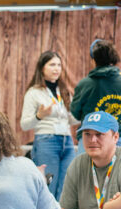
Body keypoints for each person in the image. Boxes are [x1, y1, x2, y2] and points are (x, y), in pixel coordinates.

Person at [20, 50, 79, 199]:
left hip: (67, 142)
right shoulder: (33, 92)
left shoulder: (64, 91)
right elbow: (24, 125)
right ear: (42, 68)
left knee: (66, 186)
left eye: (59, 65)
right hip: (47, 141)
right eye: (52, 65)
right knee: (48, 186)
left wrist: (83, 113)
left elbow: (70, 119)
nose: (56, 68)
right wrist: (39, 116)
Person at [71, 39, 121, 151]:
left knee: (86, 164)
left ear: (93, 60)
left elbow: (75, 112)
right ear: (114, 58)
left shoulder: (85, 84)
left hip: (91, 139)